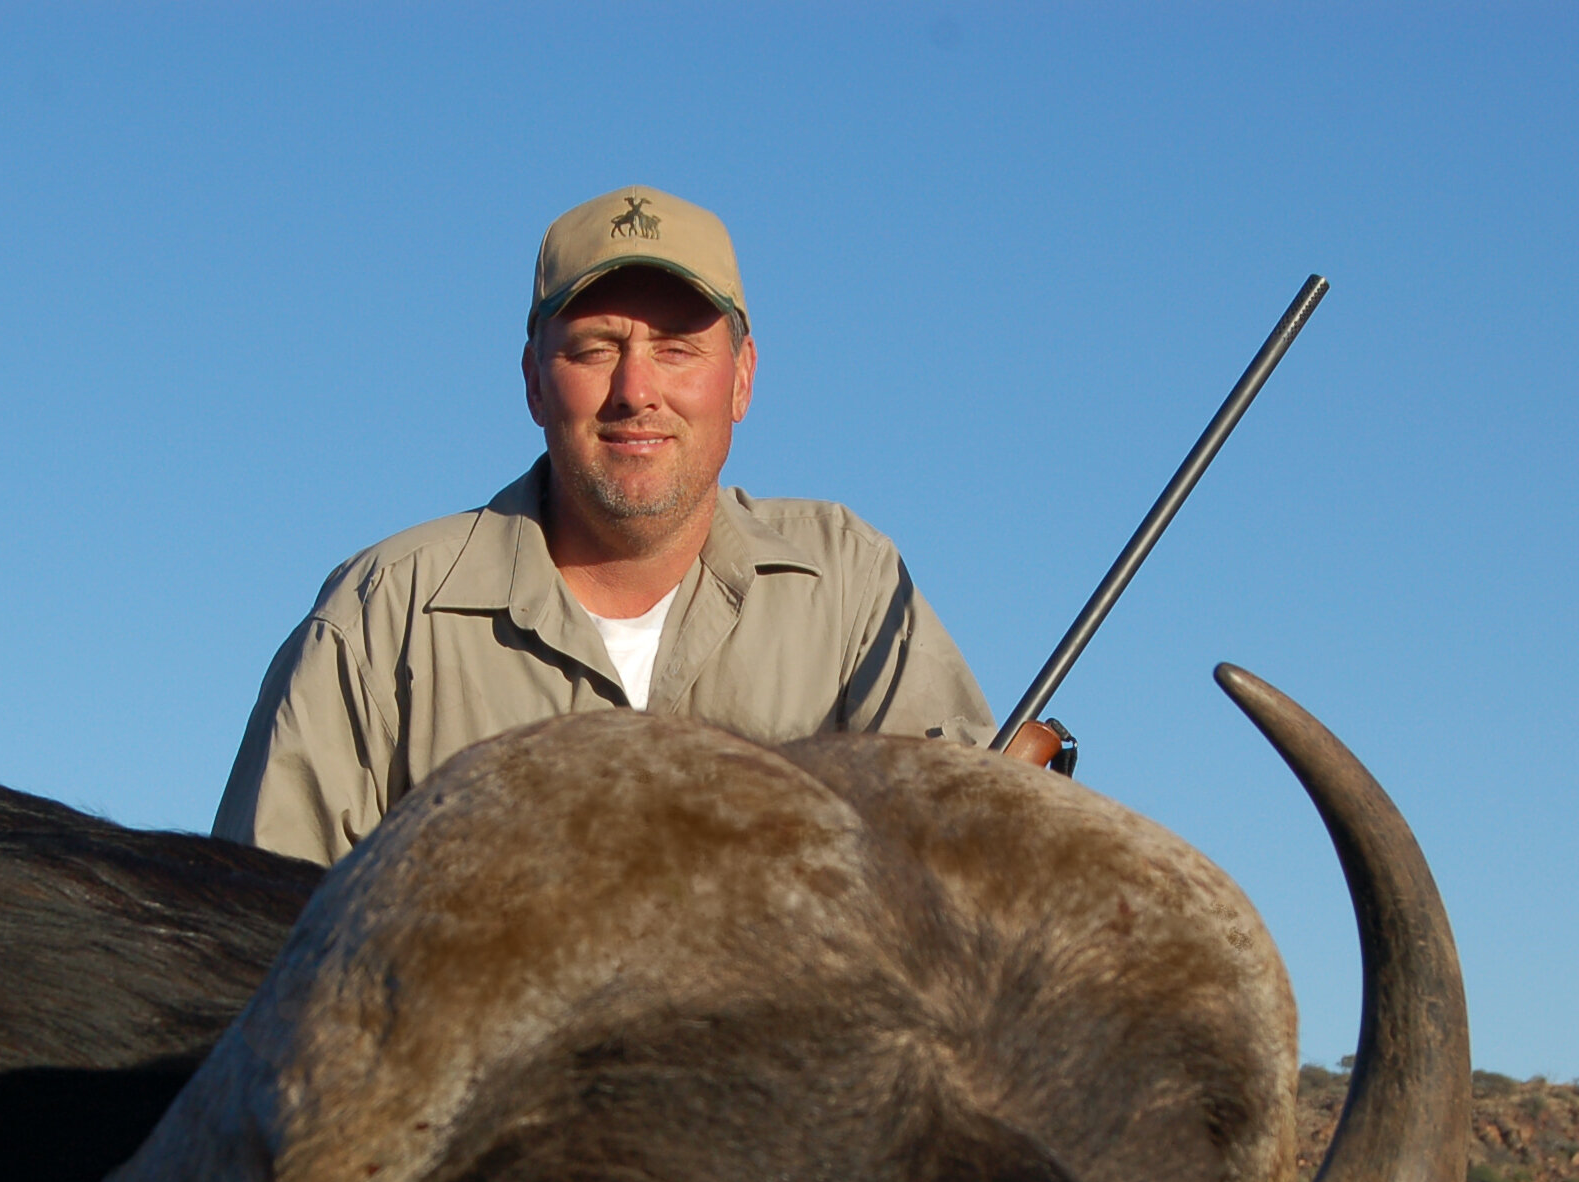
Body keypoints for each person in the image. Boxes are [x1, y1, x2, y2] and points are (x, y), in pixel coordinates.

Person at [216, 185, 1039, 866]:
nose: (636, 390)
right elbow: (254, 950)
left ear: (742, 381)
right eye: (596, 349)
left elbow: (974, 877)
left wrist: (1023, 791)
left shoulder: (852, 583)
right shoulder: (379, 615)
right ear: (536, 383)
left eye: (678, 349)